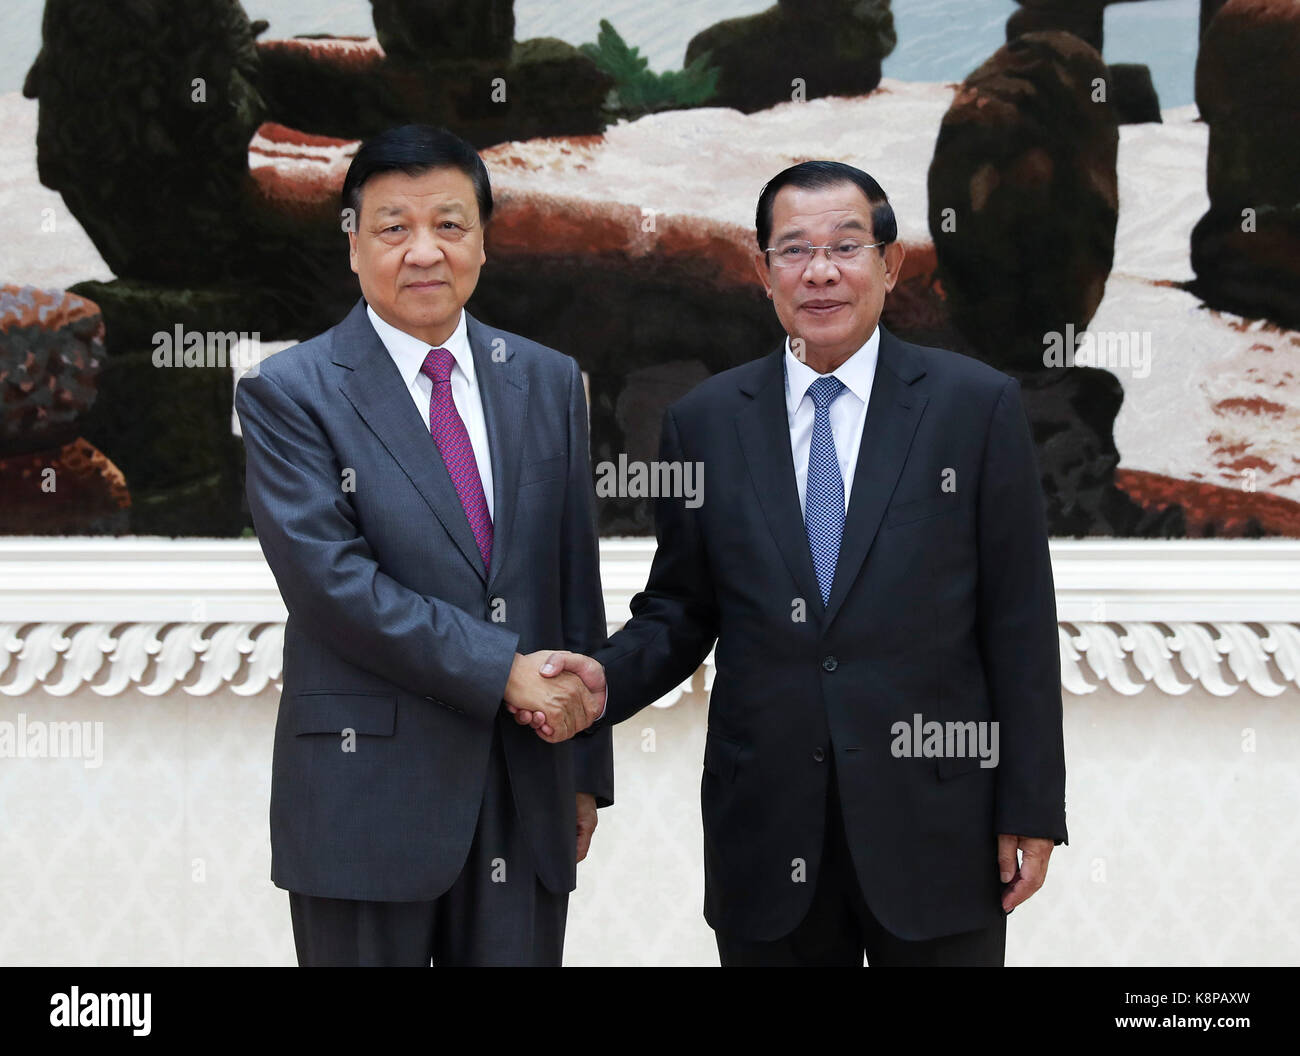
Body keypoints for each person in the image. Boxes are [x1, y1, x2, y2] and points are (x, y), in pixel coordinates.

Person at [522, 160, 1067, 966]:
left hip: (937, 825)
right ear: (761, 270)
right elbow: (682, 609)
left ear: (891, 263)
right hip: (768, 826)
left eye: (847, 247)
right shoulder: (705, 423)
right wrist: (608, 680)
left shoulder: (972, 407)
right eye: (794, 250)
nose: (820, 271)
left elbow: (1018, 617)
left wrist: (1030, 802)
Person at [235, 124, 609, 967]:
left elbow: (570, 574)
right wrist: (501, 669)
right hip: (366, 793)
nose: (424, 251)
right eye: (393, 227)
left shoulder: (546, 377)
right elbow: (332, 584)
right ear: (354, 246)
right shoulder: (290, 391)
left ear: (482, 239)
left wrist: (585, 766)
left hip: (527, 784)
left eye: (449, 223)